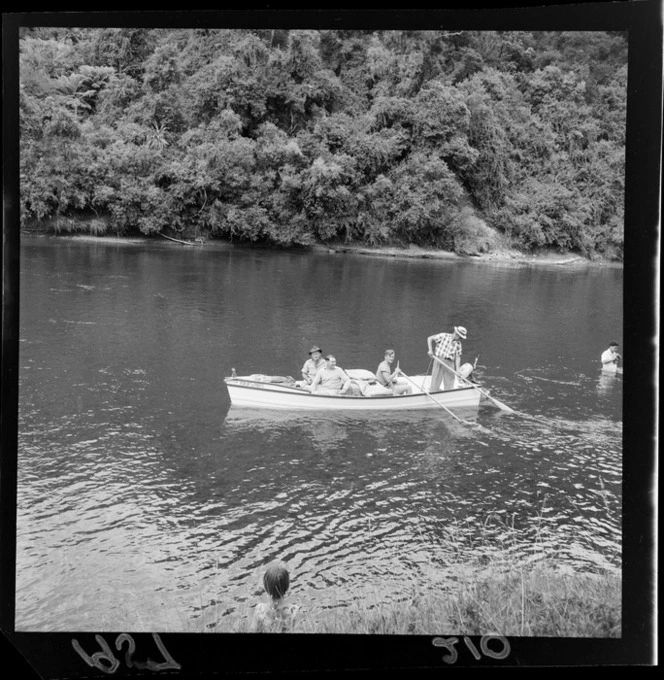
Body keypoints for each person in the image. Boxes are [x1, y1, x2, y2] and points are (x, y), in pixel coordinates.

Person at [250, 562, 299, 633]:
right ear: (287, 587)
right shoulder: (294, 611)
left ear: (266, 588)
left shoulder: (260, 609)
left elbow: (252, 630)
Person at [427, 326, 467, 391]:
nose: (460, 339)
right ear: (456, 334)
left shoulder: (458, 344)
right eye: (460, 337)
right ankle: (433, 392)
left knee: (450, 384)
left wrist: (458, 370)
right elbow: (430, 338)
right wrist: (430, 350)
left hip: (450, 363)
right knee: (435, 381)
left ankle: (447, 395)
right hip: (439, 360)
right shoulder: (444, 336)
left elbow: (457, 357)